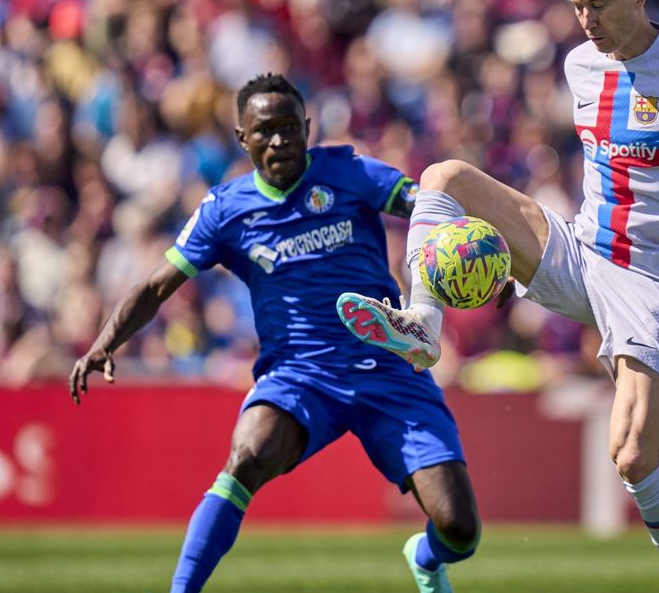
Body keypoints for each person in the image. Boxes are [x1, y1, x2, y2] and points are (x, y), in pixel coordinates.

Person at [337, 0, 659, 593]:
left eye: (599, 4)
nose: (586, 19)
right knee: (444, 177)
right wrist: (505, 259)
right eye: (578, 5)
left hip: (655, 280)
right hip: (582, 253)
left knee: (635, 456)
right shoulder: (580, 65)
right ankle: (422, 323)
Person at [69, 74, 481, 593]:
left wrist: (476, 251)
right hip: (300, 376)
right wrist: (105, 341)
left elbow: (427, 208)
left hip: (390, 368)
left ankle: (424, 556)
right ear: (242, 138)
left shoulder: (351, 173)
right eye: (265, 130)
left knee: (460, 529)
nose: (280, 140)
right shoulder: (225, 210)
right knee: (246, 456)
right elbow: (155, 286)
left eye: (290, 127)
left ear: (308, 128)